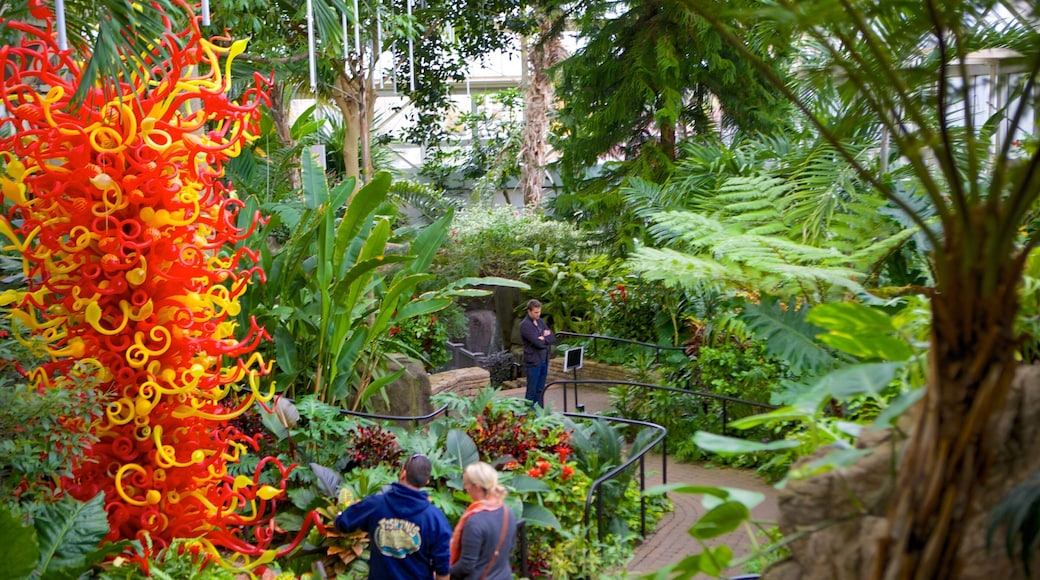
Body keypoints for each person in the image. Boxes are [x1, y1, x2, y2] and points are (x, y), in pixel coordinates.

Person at [335, 453, 452, 580]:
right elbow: (443, 569)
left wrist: (339, 515)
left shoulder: (375, 505)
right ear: (426, 482)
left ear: (403, 474)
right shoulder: (435, 519)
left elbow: (343, 523)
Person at [450, 462, 517, 580]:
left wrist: (442, 572)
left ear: (477, 487)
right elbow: (510, 547)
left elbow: (466, 565)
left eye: (467, 484)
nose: (465, 488)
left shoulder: (475, 522)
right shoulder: (507, 512)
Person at [520, 298, 555, 405]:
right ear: (529, 311)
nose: (538, 314)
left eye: (539, 312)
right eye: (535, 312)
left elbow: (552, 337)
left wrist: (543, 338)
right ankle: (529, 413)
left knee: (540, 388)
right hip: (533, 362)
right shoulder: (525, 325)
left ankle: (540, 412)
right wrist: (544, 338)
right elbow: (537, 343)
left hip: (544, 359)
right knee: (532, 390)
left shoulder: (540, 321)